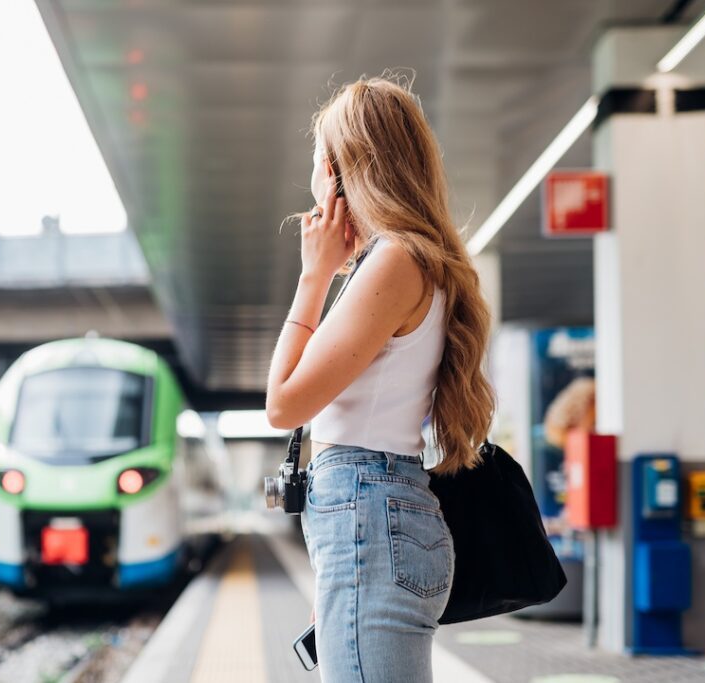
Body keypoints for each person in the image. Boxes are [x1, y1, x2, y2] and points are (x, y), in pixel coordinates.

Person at [265, 74, 496, 683]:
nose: (314, 177)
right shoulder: (406, 260)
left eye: (319, 161)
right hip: (373, 512)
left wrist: (313, 276)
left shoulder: (396, 260)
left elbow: (283, 404)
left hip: (369, 513)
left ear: (343, 173)